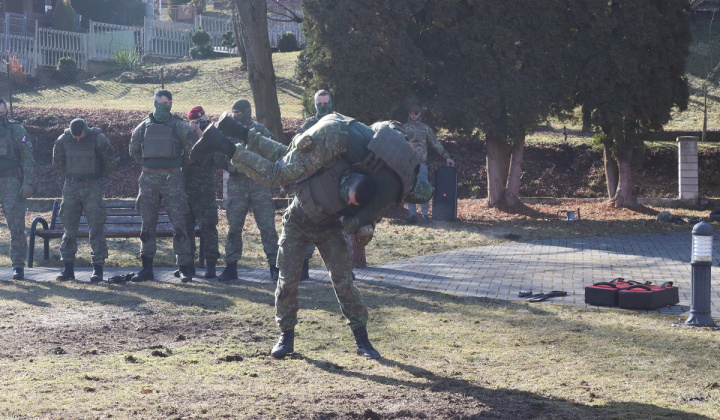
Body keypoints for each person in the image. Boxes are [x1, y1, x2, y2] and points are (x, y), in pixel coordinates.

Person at [191, 113, 433, 360]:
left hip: (330, 229)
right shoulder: (329, 161)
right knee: (287, 283)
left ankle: (362, 339)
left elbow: (362, 228)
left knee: (344, 283)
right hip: (297, 223)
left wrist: (365, 227)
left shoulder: (376, 192)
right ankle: (286, 336)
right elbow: (281, 157)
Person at [129, 89, 196, 282]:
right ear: (155, 103)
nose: (166, 106)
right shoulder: (143, 127)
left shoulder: (179, 126)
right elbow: (133, 150)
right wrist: (149, 165)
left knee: (179, 223)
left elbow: (192, 152)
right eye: (163, 103)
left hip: (173, 179)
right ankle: (146, 268)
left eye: (169, 103)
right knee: (147, 224)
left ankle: (183, 267)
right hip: (149, 179)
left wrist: (174, 166)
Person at [216, 99, 280, 282]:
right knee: (234, 228)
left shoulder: (261, 132)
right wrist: (230, 165)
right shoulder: (226, 132)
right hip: (236, 184)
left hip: (259, 184)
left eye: (237, 112)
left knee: (267, 227)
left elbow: (273, 153)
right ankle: (231, 267)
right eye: (232, 112)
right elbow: (218, 156)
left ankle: (274, 267)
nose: (234, 115)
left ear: (246, 111)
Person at [52, 118, 116, 282]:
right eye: (75, 138)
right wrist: (72, 174)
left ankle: (98, 269)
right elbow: (57, 161)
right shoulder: (64, 139)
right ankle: (68, 269)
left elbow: (110, 160)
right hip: (71, 186)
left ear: (85, 131)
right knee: (69, 228)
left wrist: (96, 176)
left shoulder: (98, 138)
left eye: (79, 137)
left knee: (96, 227)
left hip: (92, 186)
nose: (77, 140)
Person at [294, 89, 335, 278]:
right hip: (312, 183)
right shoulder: (309, 124)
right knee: (307, 224)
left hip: (335, 181)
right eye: (319, 103)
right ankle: (303, 268)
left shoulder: (338, 122)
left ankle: (345, 270)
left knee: (338, 227)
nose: (323, 106)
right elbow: (296, 144)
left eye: (326, 103)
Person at [179, 106, 221, 278]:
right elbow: (184, 157)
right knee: (187, 228)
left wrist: (202, 134)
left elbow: (214, 160)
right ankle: (188, 265)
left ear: (205, 118)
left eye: (198, 121)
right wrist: (192, 134)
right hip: (187, 189)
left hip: (206, 190)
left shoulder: (213, 134)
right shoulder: (185, 135)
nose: (195, 124)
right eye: (193, 122)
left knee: (209, 227)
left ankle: (211, 265)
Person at [403, 104, 455, 224]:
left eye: (416, 113)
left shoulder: (425, 128)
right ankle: (412, 215)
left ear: (420, 114)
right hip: (408, 163)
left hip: (421, 163)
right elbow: (398, 143)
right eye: (411, 113)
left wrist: (447, 157)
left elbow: (436, 143)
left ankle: (425, 215)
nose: (413, 115)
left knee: (424, 188)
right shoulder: (403, 128)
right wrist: (408, 144)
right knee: (409, 189)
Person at [0, 98, 33, 280]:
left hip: (11, 182)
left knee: (16, 224)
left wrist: (28, 182)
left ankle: (18, 266)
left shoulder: (16, 130)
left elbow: (28, 157)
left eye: (2, 114)